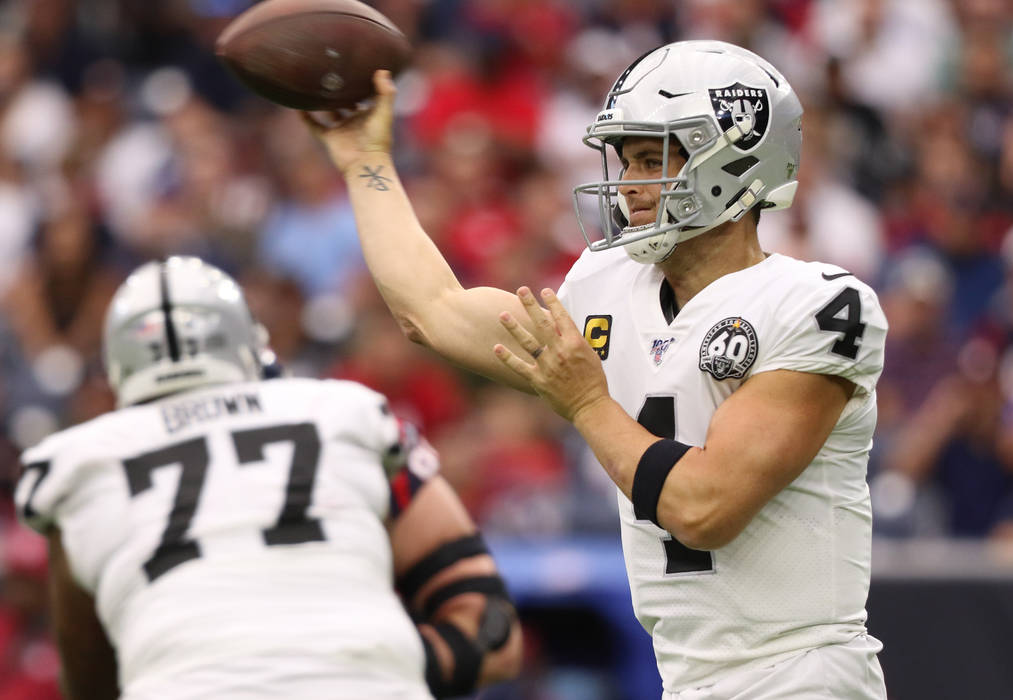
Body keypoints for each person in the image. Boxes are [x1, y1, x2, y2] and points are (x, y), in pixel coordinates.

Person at [308, 40, 888, 699]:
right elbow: (433, 311)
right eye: (627, 159)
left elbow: (704, 509)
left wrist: (586, 402)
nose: (631, 185)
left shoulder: (816, 304)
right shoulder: (609, 286)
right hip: (689, 676)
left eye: (655, 159)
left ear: (737, 156)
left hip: (801, 674)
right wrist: (365, 162)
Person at [13, 256, 522, 700]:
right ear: (248, 344)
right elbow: (490, 631)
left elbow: (92, 682)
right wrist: (361, 665)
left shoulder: (82, 462)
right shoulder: (343, 413)